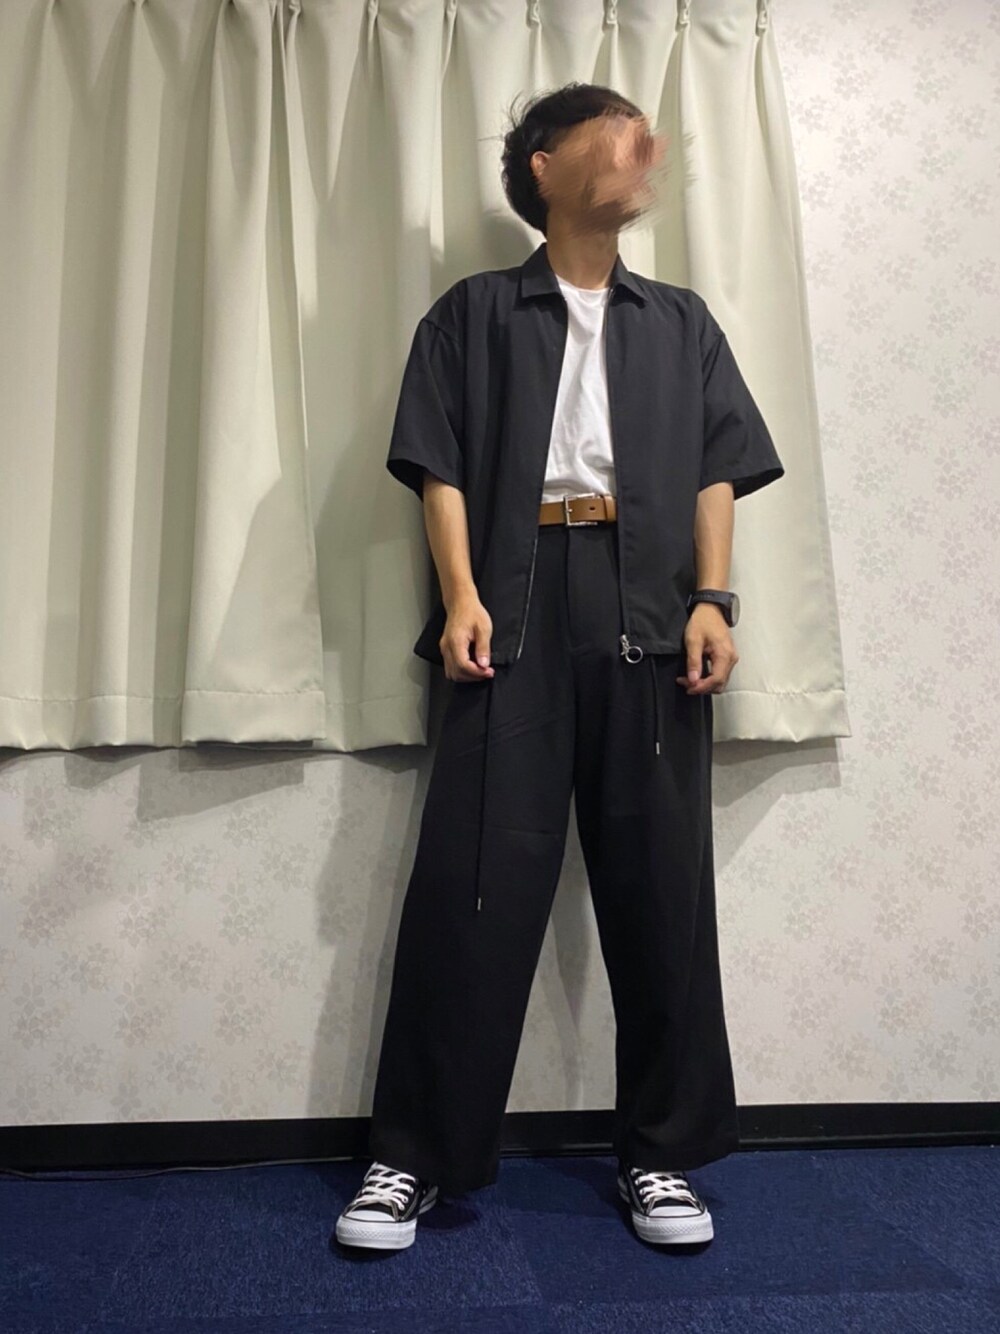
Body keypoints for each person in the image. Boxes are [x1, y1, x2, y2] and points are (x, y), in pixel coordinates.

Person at [335, 81, 785, 1253]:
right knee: (472, 884)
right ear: (542, 163)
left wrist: (713, 599)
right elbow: (437, 462)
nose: (646, 150)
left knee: (661, 886)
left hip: (651, 611)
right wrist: (460, 596)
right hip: (513, 604)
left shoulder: (679, 322)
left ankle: (661, 1152)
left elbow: (716, 469)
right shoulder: (475, 313)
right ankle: (412, 1153)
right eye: (617, 131)